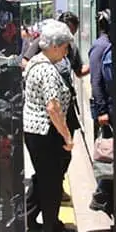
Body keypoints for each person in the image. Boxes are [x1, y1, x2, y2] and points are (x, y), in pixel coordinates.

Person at [22, 11, 88, 203]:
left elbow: (78, 71)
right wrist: (41, 82)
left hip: (65, 109)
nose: (67, 46)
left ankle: (54, 189)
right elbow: (25, 62)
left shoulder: (70, 47)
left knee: (61, 160)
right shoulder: (44, 47)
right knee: (49, 169)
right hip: (48, 116)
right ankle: (50, 193)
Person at [23, 20, 76, 232]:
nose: (66, 52)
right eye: (64, 47)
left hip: (34, 130)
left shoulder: (35, 61)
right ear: (54, 46)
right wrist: (67, 136)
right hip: (46, 132)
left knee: (43, 177)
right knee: (52, 181)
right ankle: (52, 227)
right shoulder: (47, 70)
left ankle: (28, 218)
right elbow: (53, 107)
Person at [88, 10, 114, 215]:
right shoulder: (100, 46)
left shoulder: (110, 43)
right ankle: (101, 195)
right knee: (108, 152)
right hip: (106, 110)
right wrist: (102, 111)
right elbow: (96, 81)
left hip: (111, 107)